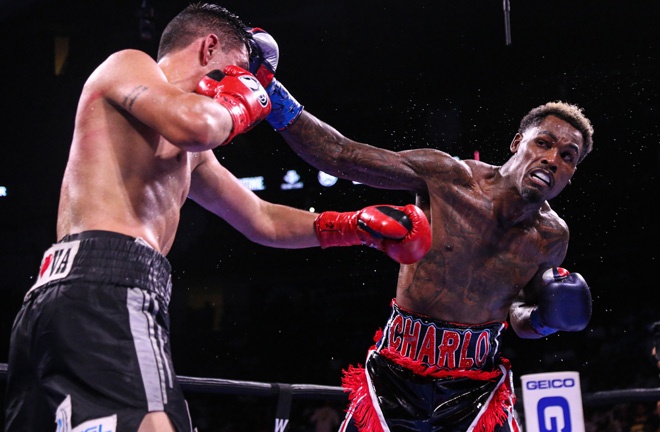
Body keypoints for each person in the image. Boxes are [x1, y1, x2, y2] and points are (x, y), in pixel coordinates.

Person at [2, 4, 433, 432]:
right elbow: (197, 125)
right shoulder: (129, 66)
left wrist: (353, 225)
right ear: (209, 47)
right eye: (243, 66)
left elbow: (260, 218)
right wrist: (243, 99)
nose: (246, 80)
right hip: (106, 286)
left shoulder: (191, 152)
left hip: (72, 295)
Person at [247, 29, 595, 431]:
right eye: (544, 144)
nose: (552, 159)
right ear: (518, 142)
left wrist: (544, 321)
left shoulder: (552, 237)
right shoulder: (447, 177)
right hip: (395, 375)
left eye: (567, 157)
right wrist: (269, 92)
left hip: (476, 390)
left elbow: (518, 314)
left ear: (572, 172)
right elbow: (340, 156)